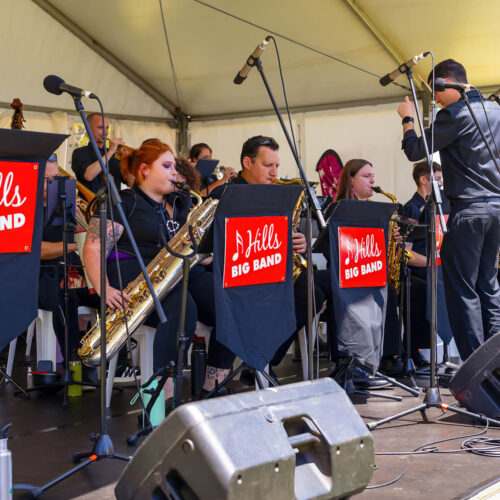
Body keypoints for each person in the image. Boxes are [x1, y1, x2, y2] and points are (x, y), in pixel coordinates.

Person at [82, 140, 214, 399]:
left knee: (223, 299)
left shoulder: (180, 202)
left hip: (178, 273)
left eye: (174, 166)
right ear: (144, 169)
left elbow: (202, 255)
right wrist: (104, 288)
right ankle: (158, 401)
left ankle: (214, 384)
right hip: (136, 277)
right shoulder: (124, 201)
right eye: (166, 166)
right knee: (182, 308)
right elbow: (93, 248)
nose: (174, 173)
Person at [203, 135, 324, 391]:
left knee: (311, 294)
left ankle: (262, 360)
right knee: (238, 301)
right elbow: (210, 241)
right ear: (247, 162)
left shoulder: (275, 195)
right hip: (233, 272)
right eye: (268, 165)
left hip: (268, 269)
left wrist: (298, 240)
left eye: (277, 166)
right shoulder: (225, 194)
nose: (274, 172)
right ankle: (215, 381)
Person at [398, 58, 500, 361]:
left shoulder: (454, 114)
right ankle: (495, 364)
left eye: (435, 92)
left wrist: (407, 120)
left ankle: (476, 370)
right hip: (496, 209)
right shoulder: (496, 111)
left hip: (468, 211)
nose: (435, 100)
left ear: (445, 82)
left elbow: (415, 151)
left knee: (463, 291)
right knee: (489, 287)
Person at [39, 153, 99, 366]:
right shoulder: (28, 208)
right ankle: (74, 360)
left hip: (73, 274)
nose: (53, 184)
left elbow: (91, 239)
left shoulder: (66, 204)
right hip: (43, 277)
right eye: (47, 180)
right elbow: (36, 251)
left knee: (112, 295)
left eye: (56, 179)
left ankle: (110, 359)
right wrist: (76, 245)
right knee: (65, 295)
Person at [72, 112, 126, 194]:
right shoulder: (80, 153)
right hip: (90, 204)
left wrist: (129, 160)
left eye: (107, 128)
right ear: (88, 129)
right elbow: (88, 175)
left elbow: (130, 182)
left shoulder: (115, 155)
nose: (106, 132)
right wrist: (111, 151)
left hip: (112, 205)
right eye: (101, 127)